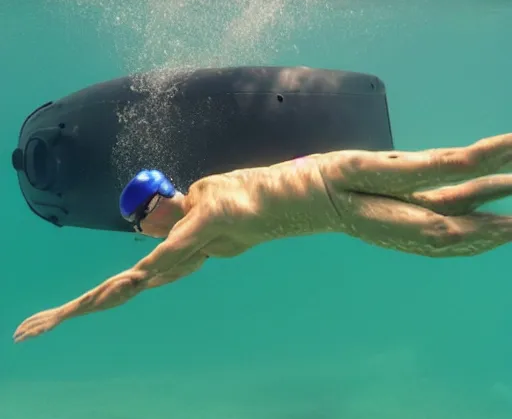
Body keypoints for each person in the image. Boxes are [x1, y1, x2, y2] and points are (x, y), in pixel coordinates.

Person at [13, 132, 512, 343]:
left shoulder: (200, 223)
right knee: (448, 195)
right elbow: (158, 276)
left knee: (444, 233)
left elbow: (136, 280)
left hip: (333, 199)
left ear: (153, 210)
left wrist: (64, 312)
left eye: (139, 227)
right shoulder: (199, 221)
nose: (142, 237)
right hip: (333, 173)